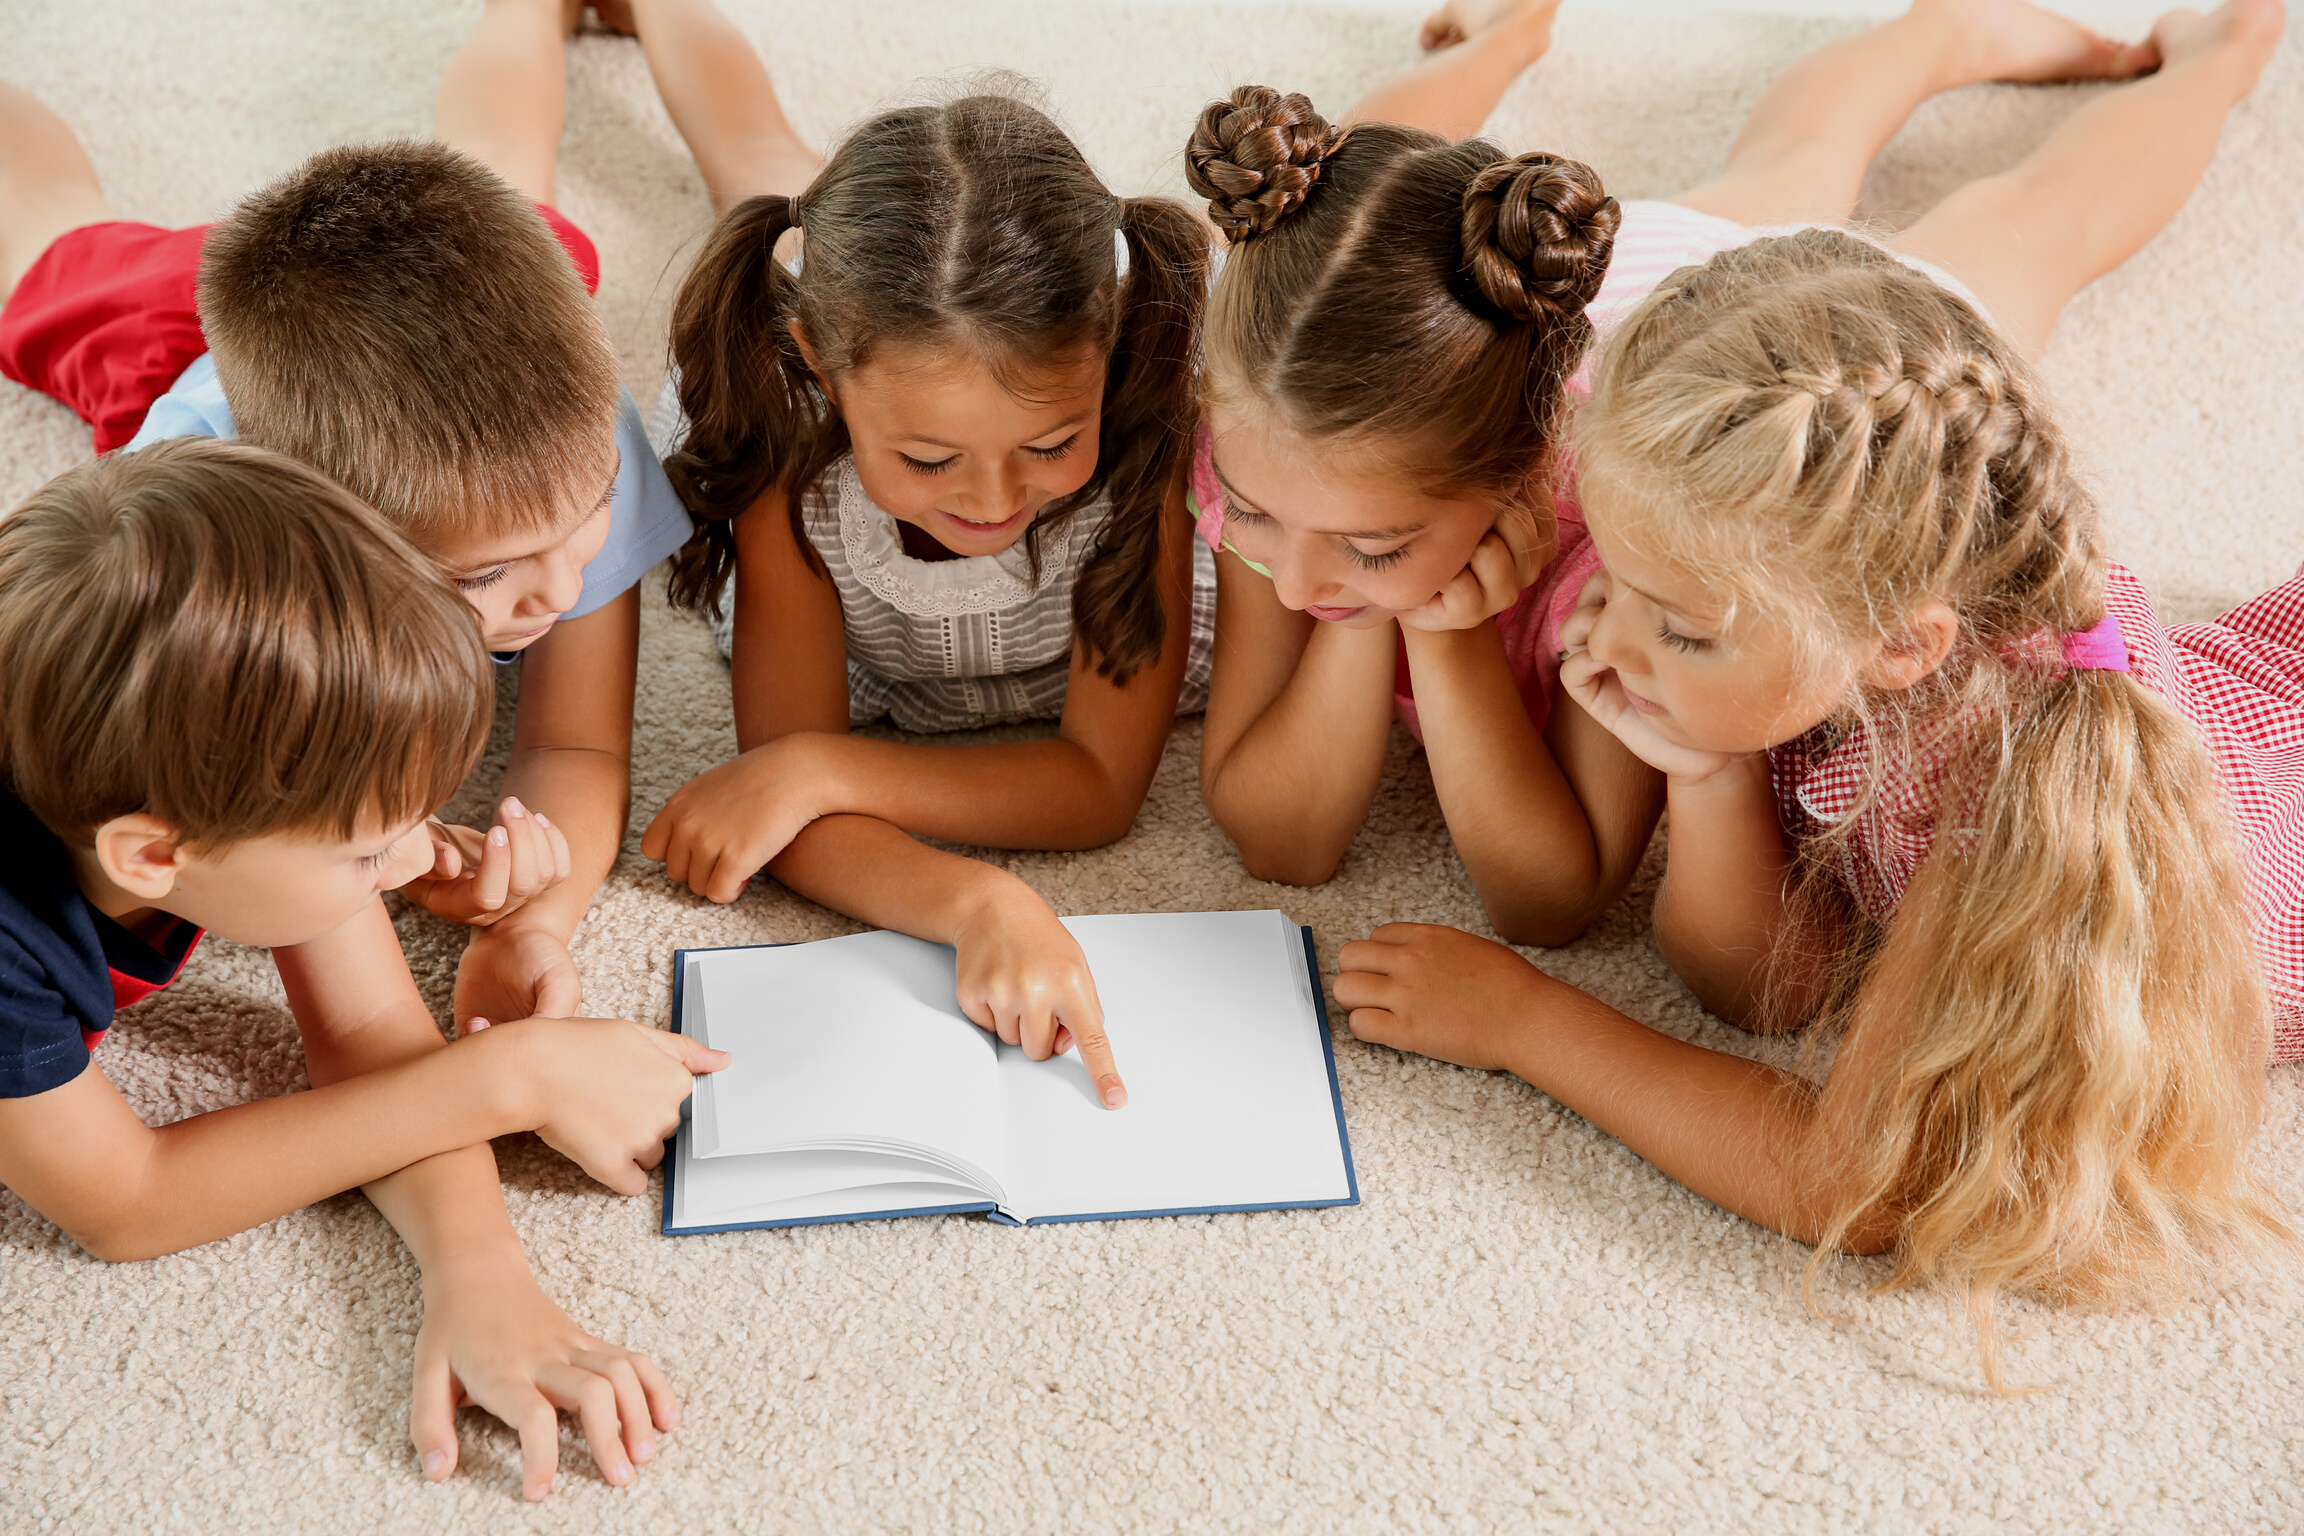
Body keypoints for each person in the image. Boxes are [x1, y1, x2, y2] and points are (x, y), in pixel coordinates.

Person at [1333, 0, 2294, 1385]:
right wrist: (1705, 761)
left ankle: (2237, 44)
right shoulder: (1848, 625)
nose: (1606, 629)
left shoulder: (2008, 818)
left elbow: (1853, 1180)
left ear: (1901, 647)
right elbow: (1766, 994)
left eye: (1680, 626)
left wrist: (1531, 1025)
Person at [1185, 0, 2166, 946]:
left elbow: (1555, 903)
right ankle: (1531, 30)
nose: (1298, 582)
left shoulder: (1634, 538)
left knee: (2010, 223)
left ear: (1521, 482)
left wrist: (1448, 642)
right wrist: (1388, 597)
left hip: (1743, 373)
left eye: (1370, 544)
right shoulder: (1275, 449)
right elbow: (1281, 843)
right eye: (1262, 518)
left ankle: (2164, 47)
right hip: (1551, 324)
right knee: (1781, 168)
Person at [0, 438, 728, 1492]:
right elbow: (124, 1201)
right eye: (366, 849)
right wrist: (510, 1075)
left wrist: (479, 1273)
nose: (426, 858)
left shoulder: (214, 759)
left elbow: (368, 1040)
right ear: (153, 855)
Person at [0, 0, 696, 1031]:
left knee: (497, 174)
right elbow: (302, 818)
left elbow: (580, 748)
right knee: (43, 236)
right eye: (484, 576)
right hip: (177, 348)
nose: (563, 586)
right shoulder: (210, 557)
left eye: (590, 514)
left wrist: (530, 925)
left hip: (409, 332)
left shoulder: (566, 442)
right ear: (329, 548)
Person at [620, 0, 1212, 1107]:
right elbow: (778, 814)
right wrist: (978, 902)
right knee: (756, 170)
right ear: (821, 368)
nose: (992, 500)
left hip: (1128, 371)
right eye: (929, 458)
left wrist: (818, 770)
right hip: (812, 395)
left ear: (1112, 351)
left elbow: (1096, 787)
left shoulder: (1149, 425)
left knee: (1316, 247)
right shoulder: (786, 435)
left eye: (1048, 442)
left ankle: (1499, 36)